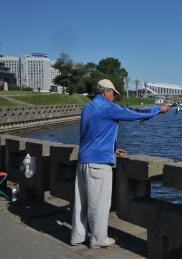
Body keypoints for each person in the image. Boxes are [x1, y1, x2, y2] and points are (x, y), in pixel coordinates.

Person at [70, 79, 170, 248]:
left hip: (83, 161)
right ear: (106, 91)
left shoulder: (88, 107)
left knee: (81, 202)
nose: (114, 97)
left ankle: (77, 237)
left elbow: (90, 132)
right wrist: (158, 109)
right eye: (113, 94)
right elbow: (133, 113)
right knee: (99, 204)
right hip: (99, 163)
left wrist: (113, 146)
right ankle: (98, 239)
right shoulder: (108, 107)